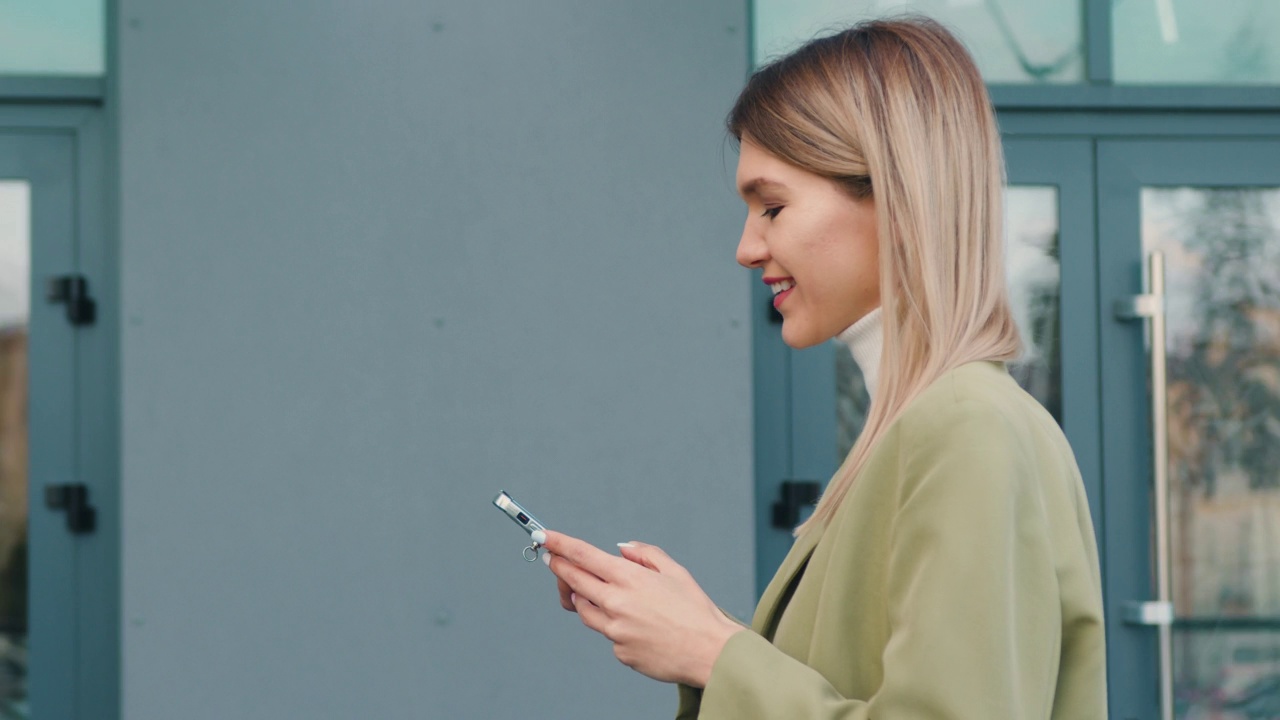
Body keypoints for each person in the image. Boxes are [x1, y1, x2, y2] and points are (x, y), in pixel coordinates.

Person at [535, 16, 1108, 719]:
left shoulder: (965, 429)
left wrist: (715, 656)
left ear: (894, 196)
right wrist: (699, 637)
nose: (747, 247)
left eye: (772, 206)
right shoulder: (925, 429)